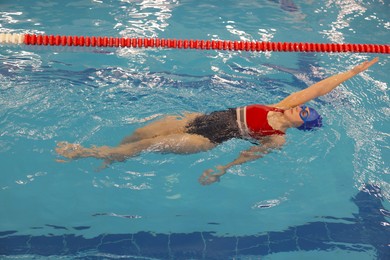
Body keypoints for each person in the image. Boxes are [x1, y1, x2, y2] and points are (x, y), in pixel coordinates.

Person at [56, 57, 379, 185]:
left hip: (204, 140)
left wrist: (222, 169)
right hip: (195, 119)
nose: (302, 107)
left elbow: (248, 154)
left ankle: (85, 153)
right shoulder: (279, 106)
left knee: (146, 145)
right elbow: (316, 88)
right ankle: (113, 156)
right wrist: (351, 72)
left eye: (305, 113)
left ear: (302, 124)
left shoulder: (277, 137)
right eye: (304, 107)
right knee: (139, 132)